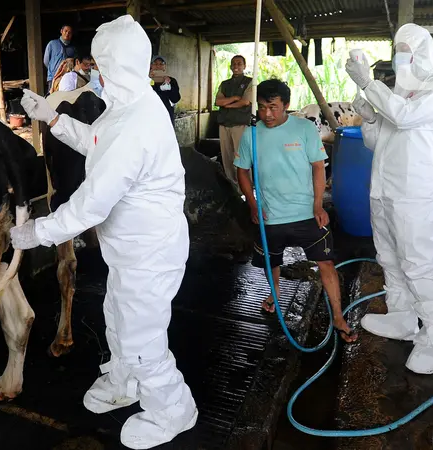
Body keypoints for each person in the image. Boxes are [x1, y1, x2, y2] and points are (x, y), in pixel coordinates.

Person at [13, 14, 198, 449]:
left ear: (117, 66)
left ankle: (174, 409)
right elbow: (97, 141)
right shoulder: (128, 106)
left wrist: (37, 232)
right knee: (117, 319)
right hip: (130, 252)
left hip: (149, 254)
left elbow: (89, 205)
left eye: (99, 64)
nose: (94, 71)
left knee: (143, 338)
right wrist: (53, 117)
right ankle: (124, 381)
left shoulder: (137, 124)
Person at [346, 23, 433, 374]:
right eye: (397, 49)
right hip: (384, 190)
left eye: (405, 50)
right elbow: (379, 139)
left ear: (422, 53)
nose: (399, 57)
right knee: (389, 258)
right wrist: (368, 118)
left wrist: (368, 84)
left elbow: (405, 119)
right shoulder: (400, 93)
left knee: (417, 264)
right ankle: (402, 317)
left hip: (414, 195)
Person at [234, 79, 357, 343]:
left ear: (286, 106)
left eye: (274, 107)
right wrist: (252, 204)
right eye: (263, 107)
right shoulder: (251, 133)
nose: (267, 114)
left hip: (307, 213)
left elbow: (318, 166)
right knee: (272, 261)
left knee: (326, 262)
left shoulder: (304, 129)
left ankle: (337, 316)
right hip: (270, 215)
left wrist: (318, 204)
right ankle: (276, 293)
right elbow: (241, 170)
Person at [216, 55, 254, 195]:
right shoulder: (224, 84)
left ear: (244, 66)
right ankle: (234, 190)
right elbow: (218, 102)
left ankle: (247, 190)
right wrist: (234, 99)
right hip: (225, 124)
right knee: (227, 158)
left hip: (240, 124)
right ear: (231, 66)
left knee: (241, 158)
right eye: (233, 63)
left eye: (239, 63)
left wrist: (227, 104)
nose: (236, 65)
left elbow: (245, 102)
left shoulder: (250, 82)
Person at [149, 55, 180, 124]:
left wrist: (169, 86)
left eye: (161, 64)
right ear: (151, 66)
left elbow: (175, 99)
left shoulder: (171, 81)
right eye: (155, 64)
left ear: (164, 67)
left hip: (166, 116)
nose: (158, 66)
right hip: (150, 115)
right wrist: (148, 79)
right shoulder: (146, 80)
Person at [44, 24, 76, 92]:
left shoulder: (73, 48)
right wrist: (53, 70)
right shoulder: (52, 44)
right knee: (52, 99)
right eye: (66, 31)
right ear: (61, 31)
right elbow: (46, 61)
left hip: (66, 79)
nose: (67, 33)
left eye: (70, 32)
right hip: (53, 77)